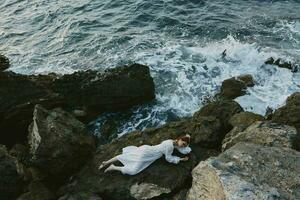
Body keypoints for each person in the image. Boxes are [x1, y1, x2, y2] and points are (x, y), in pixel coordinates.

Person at [98, 134, 192, 175]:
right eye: (183, 144)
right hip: (148, 154)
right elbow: (168, 158)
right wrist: (180, 159)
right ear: (180, 139)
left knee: (127, 156)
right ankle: (113, 167)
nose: (182, 146)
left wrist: (186, 146)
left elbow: (180, 147)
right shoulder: (171, 146)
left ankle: (105, 162)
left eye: (184, 146)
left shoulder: (172, 141)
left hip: (147, 148)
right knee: (133, 171)